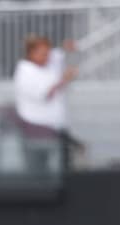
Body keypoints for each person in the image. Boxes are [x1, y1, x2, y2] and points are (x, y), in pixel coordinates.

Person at [13, 35, 80, 168]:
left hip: (57, 126)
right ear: (31, 53)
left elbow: (59, 53)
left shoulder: (50, 60)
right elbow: (45, 94)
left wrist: (67, 47)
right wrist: (64, 80)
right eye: (43, 54)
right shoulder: (25, 72)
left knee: (66, 165)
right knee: (38, 168)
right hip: (36, 128)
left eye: (48, 54)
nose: (47, 57)